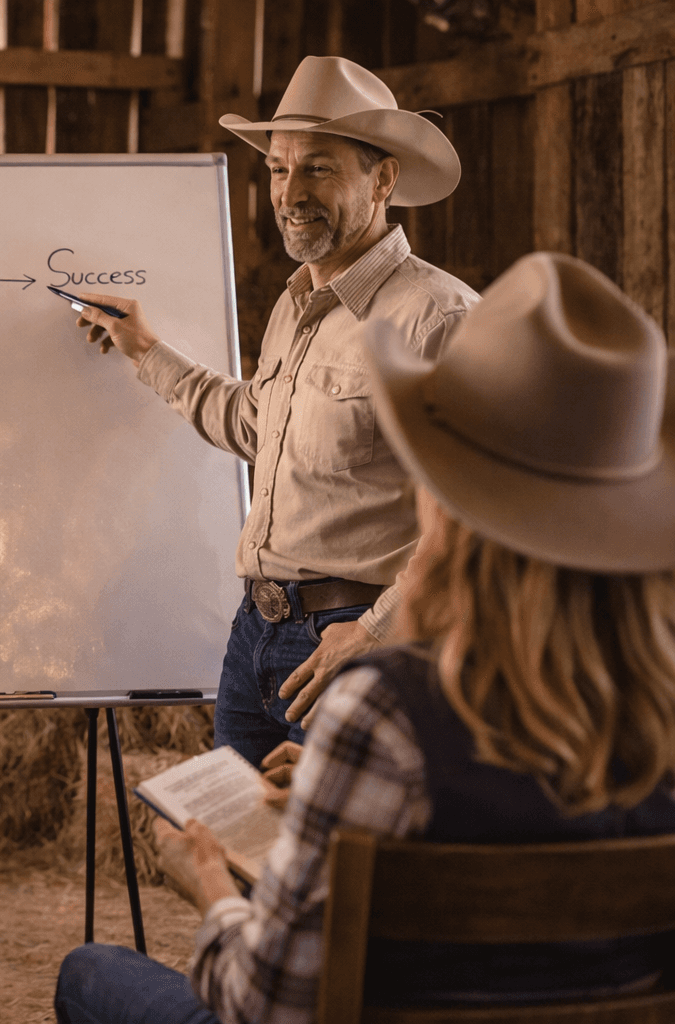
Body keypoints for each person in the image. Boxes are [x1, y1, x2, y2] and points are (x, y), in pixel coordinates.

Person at [53, 251, 675, 1023]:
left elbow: (268, 1005)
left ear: (445, 509)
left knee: (91, 973)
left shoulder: (390, 718)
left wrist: (211, 885)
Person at [71, 56, 479, 766]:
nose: (291, 192)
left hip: (354, 639)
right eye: (279, 169)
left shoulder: (438, 318)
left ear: (383, 179)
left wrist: (376, 633)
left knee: (329, 868)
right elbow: (255, 427)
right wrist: (143, 349)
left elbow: (479, 515)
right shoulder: (294, 309)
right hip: (255, 638)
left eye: (318, 168)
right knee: (241, 851)